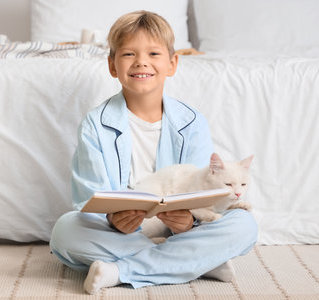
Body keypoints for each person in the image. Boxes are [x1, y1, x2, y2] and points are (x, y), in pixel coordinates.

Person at [50, 10, 258, 294]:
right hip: (122, 234)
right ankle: (197, 261)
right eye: (128, 55)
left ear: (172, 63)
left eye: (153, 54)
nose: (141, 62)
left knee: (244, 225)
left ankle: (121, 270)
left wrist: (190, 221)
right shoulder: (95, 125)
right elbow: (89, 196)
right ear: (112, 65)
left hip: (182, 231)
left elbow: (205, 191)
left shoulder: (192, 121)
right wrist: (113, 219)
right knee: (65, 231)